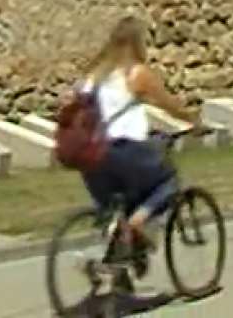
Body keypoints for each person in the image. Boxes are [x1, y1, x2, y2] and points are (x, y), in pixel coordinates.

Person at [69, 16, 200, 273]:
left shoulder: (93, 75)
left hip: (90, 155)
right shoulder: (136, 73)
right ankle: (136, 225)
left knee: (115, 207)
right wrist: (193, 120)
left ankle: (115, 260)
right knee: (169, 182)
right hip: (123, 149)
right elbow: (167, 104)